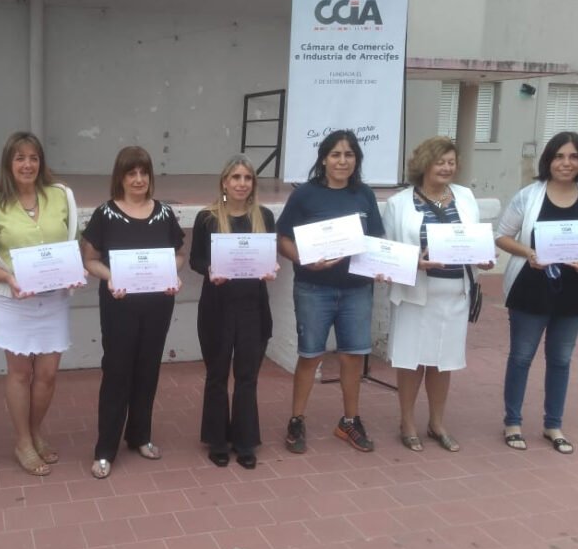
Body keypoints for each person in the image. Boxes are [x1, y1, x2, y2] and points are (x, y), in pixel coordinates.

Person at [0, 132, 80, 477]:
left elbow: (73, 245)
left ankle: (35, 432)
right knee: (20, 374)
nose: (27, 164)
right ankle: (22, 441)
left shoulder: (61, 195)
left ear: (41, 162)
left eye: (33, 157)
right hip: (13, 302)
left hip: (54, 300)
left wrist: (73, 272)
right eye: (20, 158)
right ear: (8, 163)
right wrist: (8, 278)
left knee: (47, 375)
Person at [495, 131, 578, 454]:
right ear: (548, 160)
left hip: (575, 288)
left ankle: (553, 424)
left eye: (573, 157)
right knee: (521, 357)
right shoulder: (528, 196)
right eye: (559, 156)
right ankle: (513, 422)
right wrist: (529, 253)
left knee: (561, 358)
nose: (566, 163)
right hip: (531, 287)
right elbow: (502, 236)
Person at [276, 129, 384, 454]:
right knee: (310, 356)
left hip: (356, 290)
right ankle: (297, 419)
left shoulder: (364, 194)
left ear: (356, 160)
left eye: (349, 155)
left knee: (352, 356)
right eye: (335, 154)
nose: (342, 161)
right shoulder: (305, 195)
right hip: (314, 288)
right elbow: (283, 239)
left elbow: (376, 239)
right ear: (324, 159)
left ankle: (349, 421)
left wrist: (383, 265)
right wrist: (304, 260)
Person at [383, 136, 494, 452]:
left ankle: (436, 423)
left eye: (451, 162)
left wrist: (484, 259)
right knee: (411, 360)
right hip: (415, 293)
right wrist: (413, 262)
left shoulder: (465, 197)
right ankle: (407, 422)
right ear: (424, 164)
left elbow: (474, 240)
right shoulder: (399, 203)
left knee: (443, 361)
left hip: (454, 293)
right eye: (439, 162)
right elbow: (388, 250)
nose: (446, 168)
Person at [82, 146, 185, 479]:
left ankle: (140, 436)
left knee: (148, 370)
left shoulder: (164, 213)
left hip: (158, 305)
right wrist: (111, 276)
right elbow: (90, 260)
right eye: (132, 173)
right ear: (121, 177)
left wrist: (172, 274)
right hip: (119, 305)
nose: (138, 179)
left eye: (143, 173)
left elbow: (178, 255)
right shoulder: (105, 213)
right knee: (116, 373)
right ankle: (105, 449)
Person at [189, 155, 276, 469]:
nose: (242, 183)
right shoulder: (207, 218)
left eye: (247, 178)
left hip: (253, 306)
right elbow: (195, 260)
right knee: (216, 375)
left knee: (247, 376)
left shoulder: (264, 216)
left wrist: (270, 268)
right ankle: (217, 440)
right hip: (217, 307)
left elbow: (269, 258)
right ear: (224, 182)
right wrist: (210, 270)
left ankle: (245, 441)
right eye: (236, 177)